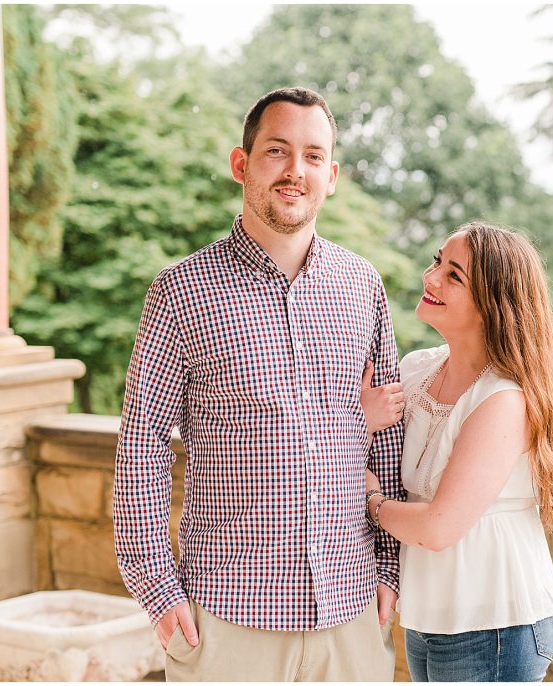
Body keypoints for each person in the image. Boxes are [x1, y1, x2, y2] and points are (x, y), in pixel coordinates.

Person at [112, 86, 405, 682]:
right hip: (226, 621)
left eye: (314, 156)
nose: (297, 170)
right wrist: (157, 588)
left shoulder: (362, 287)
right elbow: (140, 448)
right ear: (241, 164)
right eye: (278, 151)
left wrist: (390, 569)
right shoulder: (179, 292)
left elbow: (389, 440)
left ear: (333, 175)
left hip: (349, 613)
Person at [360, 221, 553, 682]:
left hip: (496, 624)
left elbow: (439, 527)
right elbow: (360, 442)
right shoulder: (417, 370)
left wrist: (372, 503)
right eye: (437, 261)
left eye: (454, 275)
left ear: (491, 306)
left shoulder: (503, 398)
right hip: (429, 615)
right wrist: (363, 419)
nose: (431, 277)